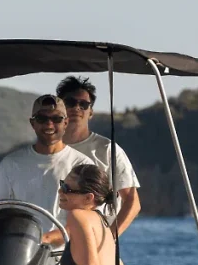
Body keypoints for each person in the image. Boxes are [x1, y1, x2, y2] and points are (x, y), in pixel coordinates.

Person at [58, 164, 172, 265]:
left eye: (66, 188)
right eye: (61, 184)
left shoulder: (77, 216)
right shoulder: (102, 222)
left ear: (88, 197)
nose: (60, 191)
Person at [0, 94, 92, 235]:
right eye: (42, 119)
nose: (49, 124)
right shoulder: (11, 164)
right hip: (19, 253)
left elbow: (90, 218)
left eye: (56, 119)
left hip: (65, 254)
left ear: (66, 123)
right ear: (33, 123)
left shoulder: (83, 165)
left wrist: (47, 240)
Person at [56, 75, 141, 237]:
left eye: (84, 104)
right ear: (60, 108)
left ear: (91, 112)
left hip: (93, 243)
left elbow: (132, 202)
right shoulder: (48, 149)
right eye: (70, 102)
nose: (77, 108)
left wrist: (110, 238)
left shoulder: (107, 149)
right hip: (49, 244)